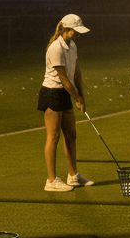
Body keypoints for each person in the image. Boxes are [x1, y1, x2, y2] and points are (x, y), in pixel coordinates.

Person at [38, 13, 95, 192]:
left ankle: (73, 176)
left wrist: (82, 96)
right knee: (53, 137)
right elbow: (62, 78)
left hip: (65, 93)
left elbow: (76, 73)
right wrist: (76, 97)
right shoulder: (56, 48)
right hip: (52, 93)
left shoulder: (72, 46)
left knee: (71, 135)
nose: (76, 34)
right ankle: (51, 180)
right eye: (74, 31)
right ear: (65, 29)